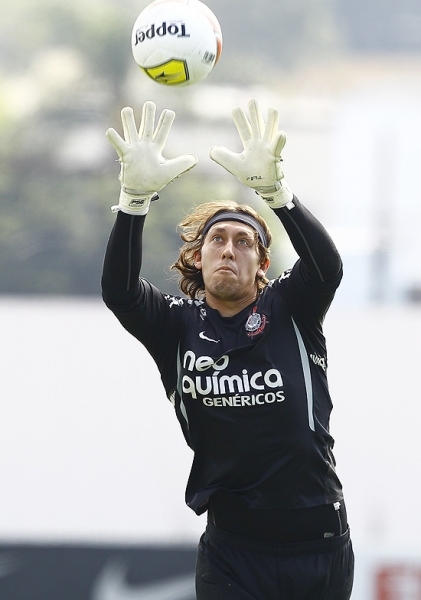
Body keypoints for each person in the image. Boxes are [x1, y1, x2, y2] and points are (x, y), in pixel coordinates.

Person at [102, 99, 354, 599]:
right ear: (198, 257)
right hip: (233, 551)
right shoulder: (174, 326)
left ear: (262, 265)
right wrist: (133, 202)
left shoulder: (291, 308)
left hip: (317, 543)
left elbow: (328, 267)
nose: (229, 249)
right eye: (218, 239)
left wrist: (278, 195)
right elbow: (120, 292)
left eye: (244, 242)